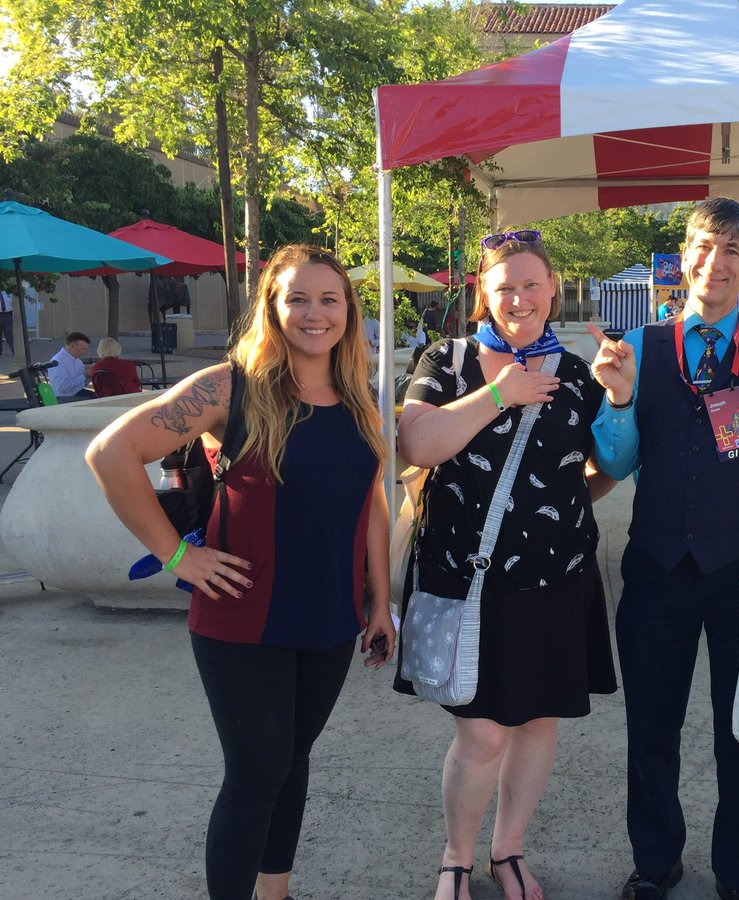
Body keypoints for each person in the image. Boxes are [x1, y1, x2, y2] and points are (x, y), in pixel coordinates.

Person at [86, 244, 395, 900]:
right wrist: (178, 555)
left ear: (348, 310)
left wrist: (380, 603)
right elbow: (111, 453)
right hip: (242, 618)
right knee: (256, 775)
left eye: (329, 299)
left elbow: (370, 505)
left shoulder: (359, 397)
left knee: (292, 762)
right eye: (298, 299)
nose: (315, 313)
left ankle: (274, 892)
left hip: (331, 616)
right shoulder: (231, 388)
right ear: (273, 308)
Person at [589, 198, 739, 900]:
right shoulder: (641, 346)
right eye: (701, 245)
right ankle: (655, 863)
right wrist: (621, 402)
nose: (713, 262)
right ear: (681, 255)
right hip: (656, 569)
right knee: (650, 733)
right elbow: (616, 462)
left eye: (730, 251)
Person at [394, 229, 618, 900]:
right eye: (503, 288)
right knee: (484, 733)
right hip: (469, 577)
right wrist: (502, 394)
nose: (518, 298)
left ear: (554, 287)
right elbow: (418, 442)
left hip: (556, 579)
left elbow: (607, 466)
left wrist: (621, 405)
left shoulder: (579, 375)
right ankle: (456, 857)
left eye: (530, 284)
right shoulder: (450, 359)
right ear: (482, 296)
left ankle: (508, 849)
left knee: (539, 721)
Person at [48, 331, 94, 399]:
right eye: (82, 349)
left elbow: (81, 384)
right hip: (64, 399)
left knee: (101, 398)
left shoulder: (79, 362)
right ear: (72, 346)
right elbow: (63, 387)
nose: (83, 352)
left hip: (78, 394)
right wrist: (85, 375)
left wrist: (91, 375)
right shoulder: (57, 361)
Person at [0, 286, 14, 354]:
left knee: (9, 332)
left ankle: (14, 349)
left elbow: (13, 303)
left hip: (7, 315)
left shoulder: (8, 294)